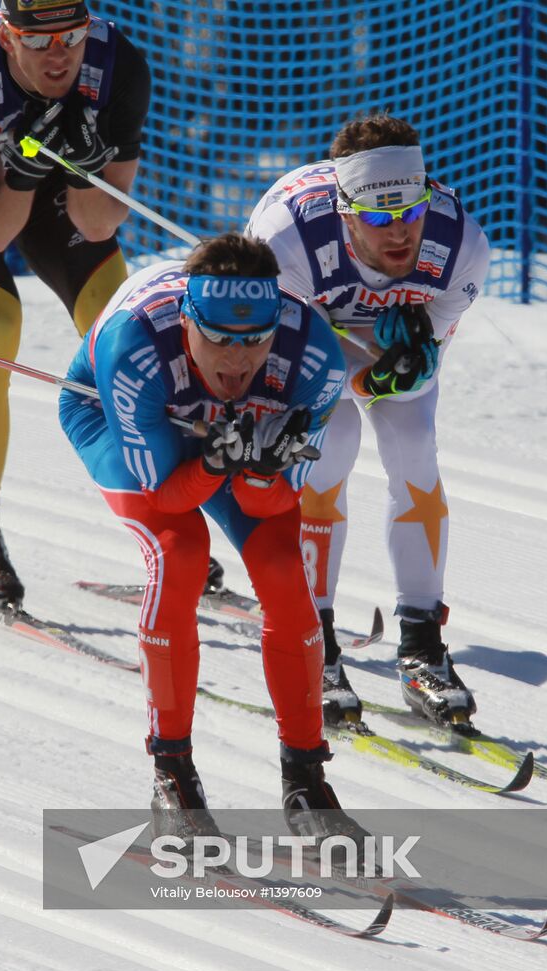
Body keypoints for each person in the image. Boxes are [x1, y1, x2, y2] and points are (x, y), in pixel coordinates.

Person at [59, 232, 364, 837]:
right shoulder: (136, 346)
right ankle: (172, 774)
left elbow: (278, 500)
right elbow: (164, 494)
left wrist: (260, 467)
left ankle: (305, 780)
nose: (237, 359)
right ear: (186, 323)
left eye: (255, 340)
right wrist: (216, 464)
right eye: (219, 338)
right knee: (181, 553)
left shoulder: (315, 357)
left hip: (225, 436)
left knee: (283, 574)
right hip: (126, 420)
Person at [247, 113, 491, 730]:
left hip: (378, 340)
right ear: (345, 211)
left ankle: (422, 644)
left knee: (413, 446)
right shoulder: (285, 239)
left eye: (409, 212)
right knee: (333, 443)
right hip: (304, 337)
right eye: (378, 220)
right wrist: (364, 372)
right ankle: (316, 639)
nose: (400, 233)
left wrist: (413, 349)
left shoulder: (460, 243)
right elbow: (287, 354)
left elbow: (427, 350)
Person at [0, 0, 150, 607]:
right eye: (38, 43)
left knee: (127, 335)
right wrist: (20, 174)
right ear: (7, 35)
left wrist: (83, 169)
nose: (60, 55)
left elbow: (97, 226)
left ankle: (166, 523)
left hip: (55, 185)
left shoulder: (119, 63)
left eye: (71, 37)